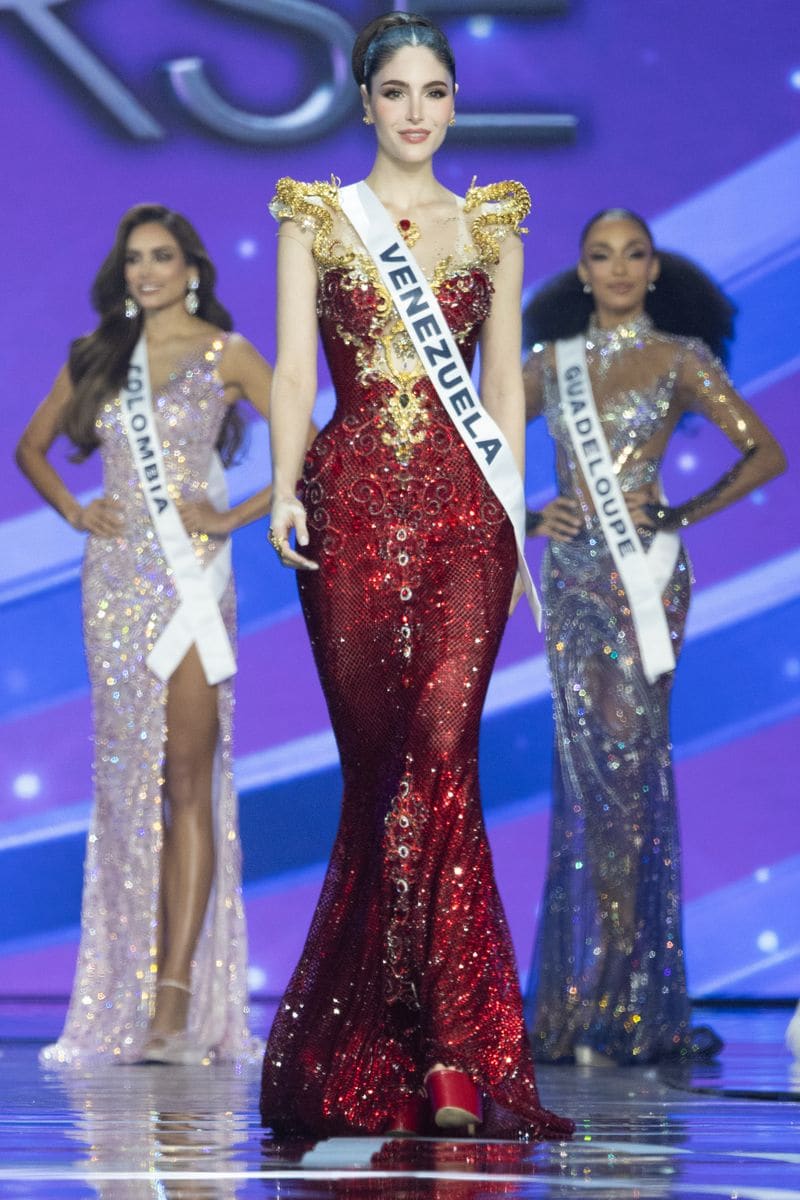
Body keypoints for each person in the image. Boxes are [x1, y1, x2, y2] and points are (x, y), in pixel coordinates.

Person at [259, 11, 573, 1140]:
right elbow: (295, 370)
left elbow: (504, 390)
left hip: (462, 522)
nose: (415, 112)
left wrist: (508, 501)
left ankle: (451, 1050)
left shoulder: (491, 225)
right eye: (394, 91)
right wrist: (285, 483)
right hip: (348, 513)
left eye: (433, 91)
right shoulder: (315, 221)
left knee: (444, 752)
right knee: (383, 771)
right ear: (362, 101)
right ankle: (375, 1030)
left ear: (452, 102)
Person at [521, 208, 786, 1065]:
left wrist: (683, 509)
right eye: (603, 255)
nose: (621, 268)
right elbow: (464, 445)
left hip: (644, 580)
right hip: (571, 584)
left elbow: (764, 452)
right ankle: (583, 990)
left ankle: (620, 993)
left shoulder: (678, 358)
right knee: (585, 778)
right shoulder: (547, 367)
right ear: (582, 271)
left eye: (635, 254)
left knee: (630, 776)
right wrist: (529, 513)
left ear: (654, 269)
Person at [16, 204, 273, 1066]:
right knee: (129, 781)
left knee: (187, 780)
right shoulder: (99, 358)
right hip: (117, 586)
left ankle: (174, 1006)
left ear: (191, 266)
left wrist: (235, 513)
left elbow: (312, 436)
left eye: (162, 257)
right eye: (134, 259)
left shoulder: (227, 354)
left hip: (194, 582)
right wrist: (74, 509)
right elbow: (33, 447)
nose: (147, 272)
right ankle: (128, 991)